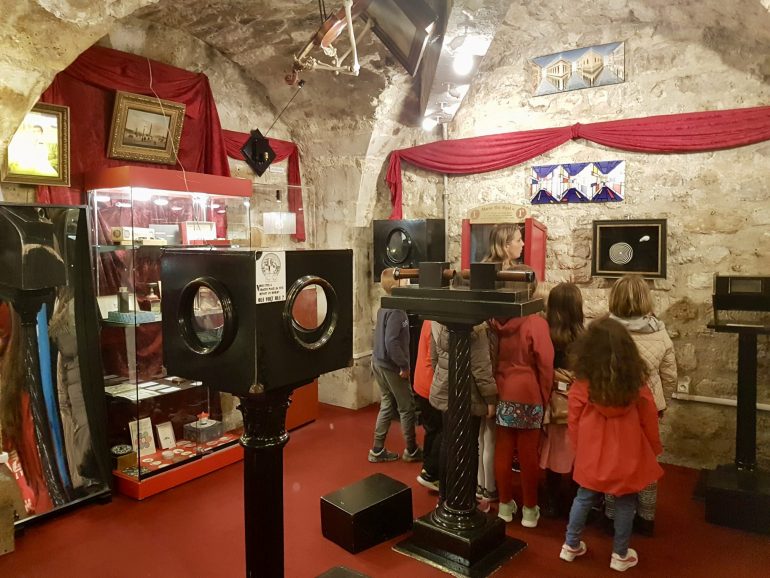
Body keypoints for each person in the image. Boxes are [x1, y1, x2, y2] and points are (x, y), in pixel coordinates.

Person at [559, 317, 663, 573]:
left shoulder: (582, 384)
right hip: (627, 452)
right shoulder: (635, 385)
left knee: (583, 496)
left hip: (592, 451)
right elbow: (649, 418)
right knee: (626, 501)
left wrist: (578, 447)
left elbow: (573, 418)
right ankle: (620, 553)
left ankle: (570, 545)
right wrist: (653, 448)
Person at [604, 274, 677, 536]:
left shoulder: (605, 331)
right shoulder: (660, 332)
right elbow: (670, 375)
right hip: (648, 407)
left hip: (613, 405)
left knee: (613, 460)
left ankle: (611, 514)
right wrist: (662, 402)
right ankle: (646, 517)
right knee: (646, 461)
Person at [489, 268, 554, 528]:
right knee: (528, 455)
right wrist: (545, 397)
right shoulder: (535, 323)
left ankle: (505, 505)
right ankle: (529, 509)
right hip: (529, 393)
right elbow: (546, 364)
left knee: (503, 451)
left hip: (502, 390)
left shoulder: (494, 321)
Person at [429, 320, 497, 504]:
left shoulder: (437, 320)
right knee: (470, 446)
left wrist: (442, 378)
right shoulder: (477, 325)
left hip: (446, 386)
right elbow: (481, 367)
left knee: (447, 441)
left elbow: (434, 356)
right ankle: (467, 500)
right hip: (469, 392)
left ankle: (444, 497)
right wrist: (490, 398)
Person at [540, 282, 584, 518]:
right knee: (577, 450)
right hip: (577, 403)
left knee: (553, 449)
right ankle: (577, 499)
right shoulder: (585, 338)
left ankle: (552, 499)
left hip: (552, 402)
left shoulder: (546, 335)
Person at [368, 275, 422, 463]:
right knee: (406, 407)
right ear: (397, 283)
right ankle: (412, 450)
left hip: (379, 362)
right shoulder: (397, 311)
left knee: (387, 403)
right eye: (404, 279)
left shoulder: (385, 305)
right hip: (391, 366)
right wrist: (403, 366)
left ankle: (377, 449)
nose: (408, 282)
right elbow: (391, 342)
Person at [414, 320, 440, 491]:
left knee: (431, 429)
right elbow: (435, 358)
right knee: (440, 430)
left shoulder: (428, 320)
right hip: (431, 383)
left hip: (422, 380)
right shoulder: (436, 323)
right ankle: (431, 472)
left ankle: (428, 468)